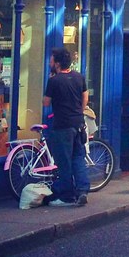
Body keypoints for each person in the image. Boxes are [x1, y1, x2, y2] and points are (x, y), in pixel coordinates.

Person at [43, 48, 90, 207]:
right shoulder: (79, 77)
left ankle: (67, 196)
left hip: (62, 125)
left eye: (51, 60)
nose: (50, 62)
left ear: (57, 63)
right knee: (78, 157)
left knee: (64, 162)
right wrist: (80, 110)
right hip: (78, 123)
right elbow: (85, 96)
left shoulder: (54, 81)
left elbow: (46, 102)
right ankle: (82, 191)